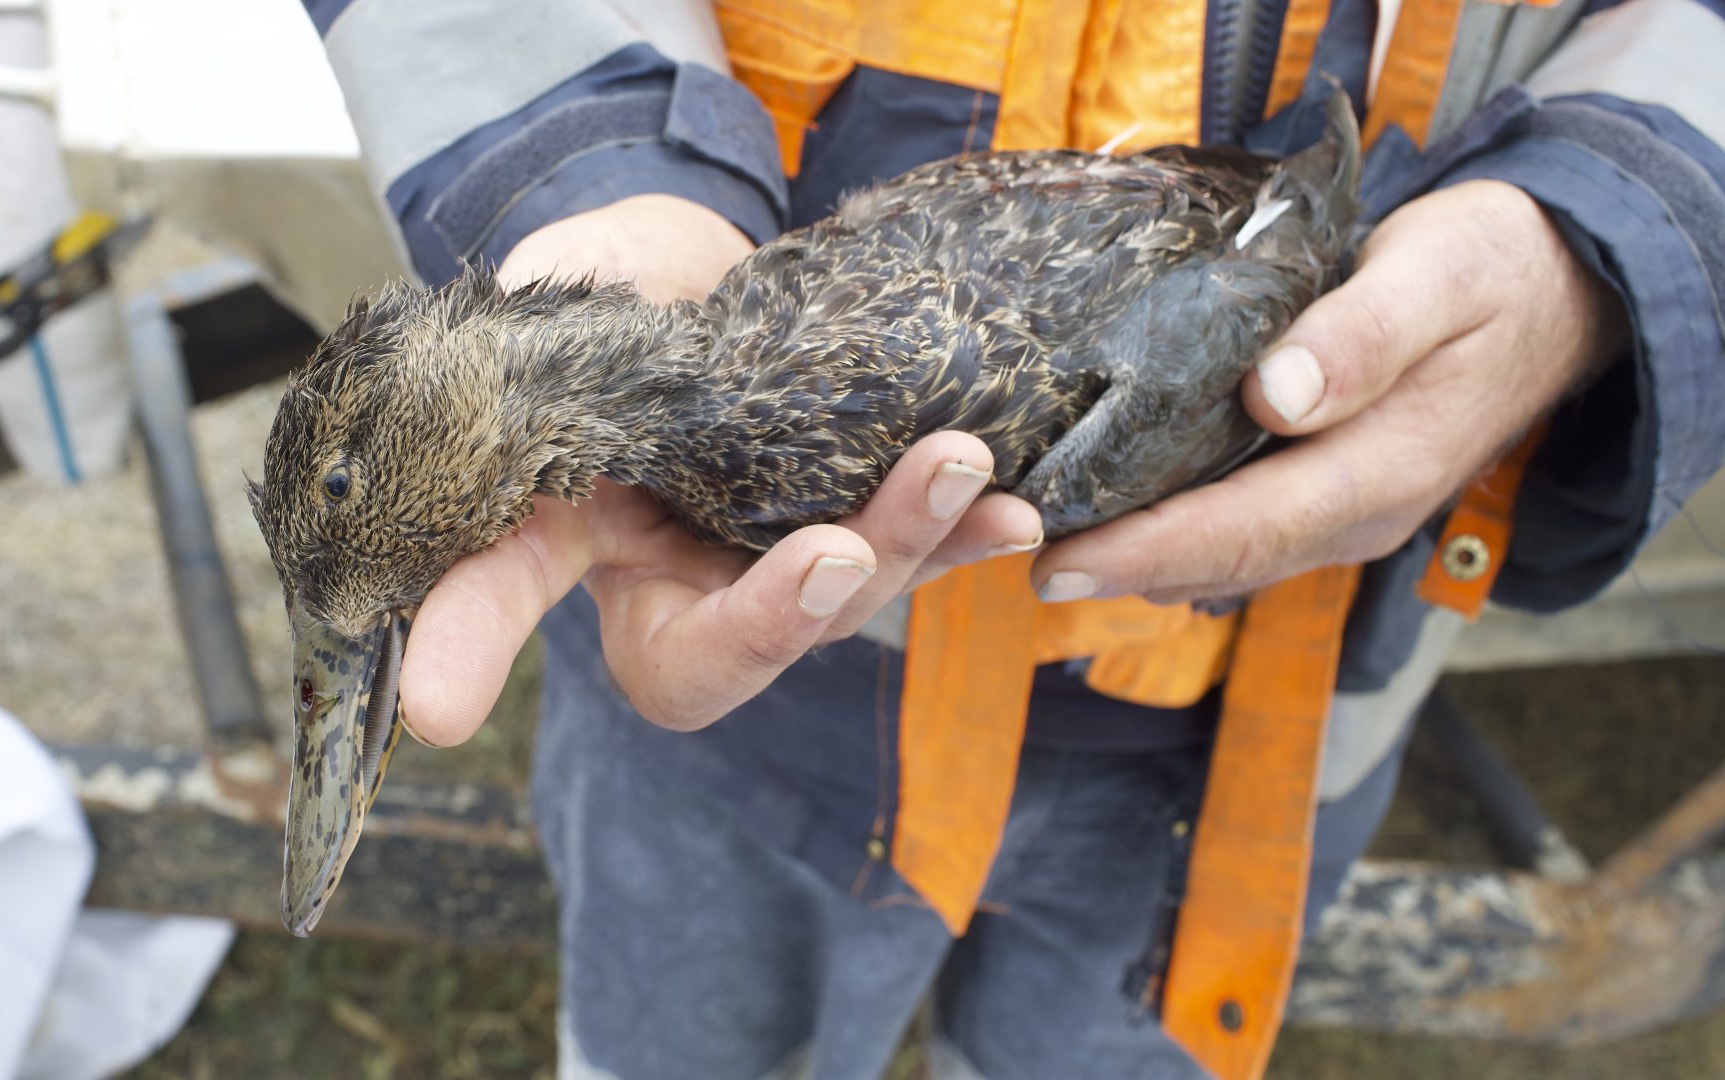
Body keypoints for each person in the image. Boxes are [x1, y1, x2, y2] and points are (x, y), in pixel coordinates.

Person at [302, 1, 1725, 1076]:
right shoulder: (686, 420)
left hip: (1257, 700)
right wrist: (595, 160)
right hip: (756, 731)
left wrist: (1608, 221)